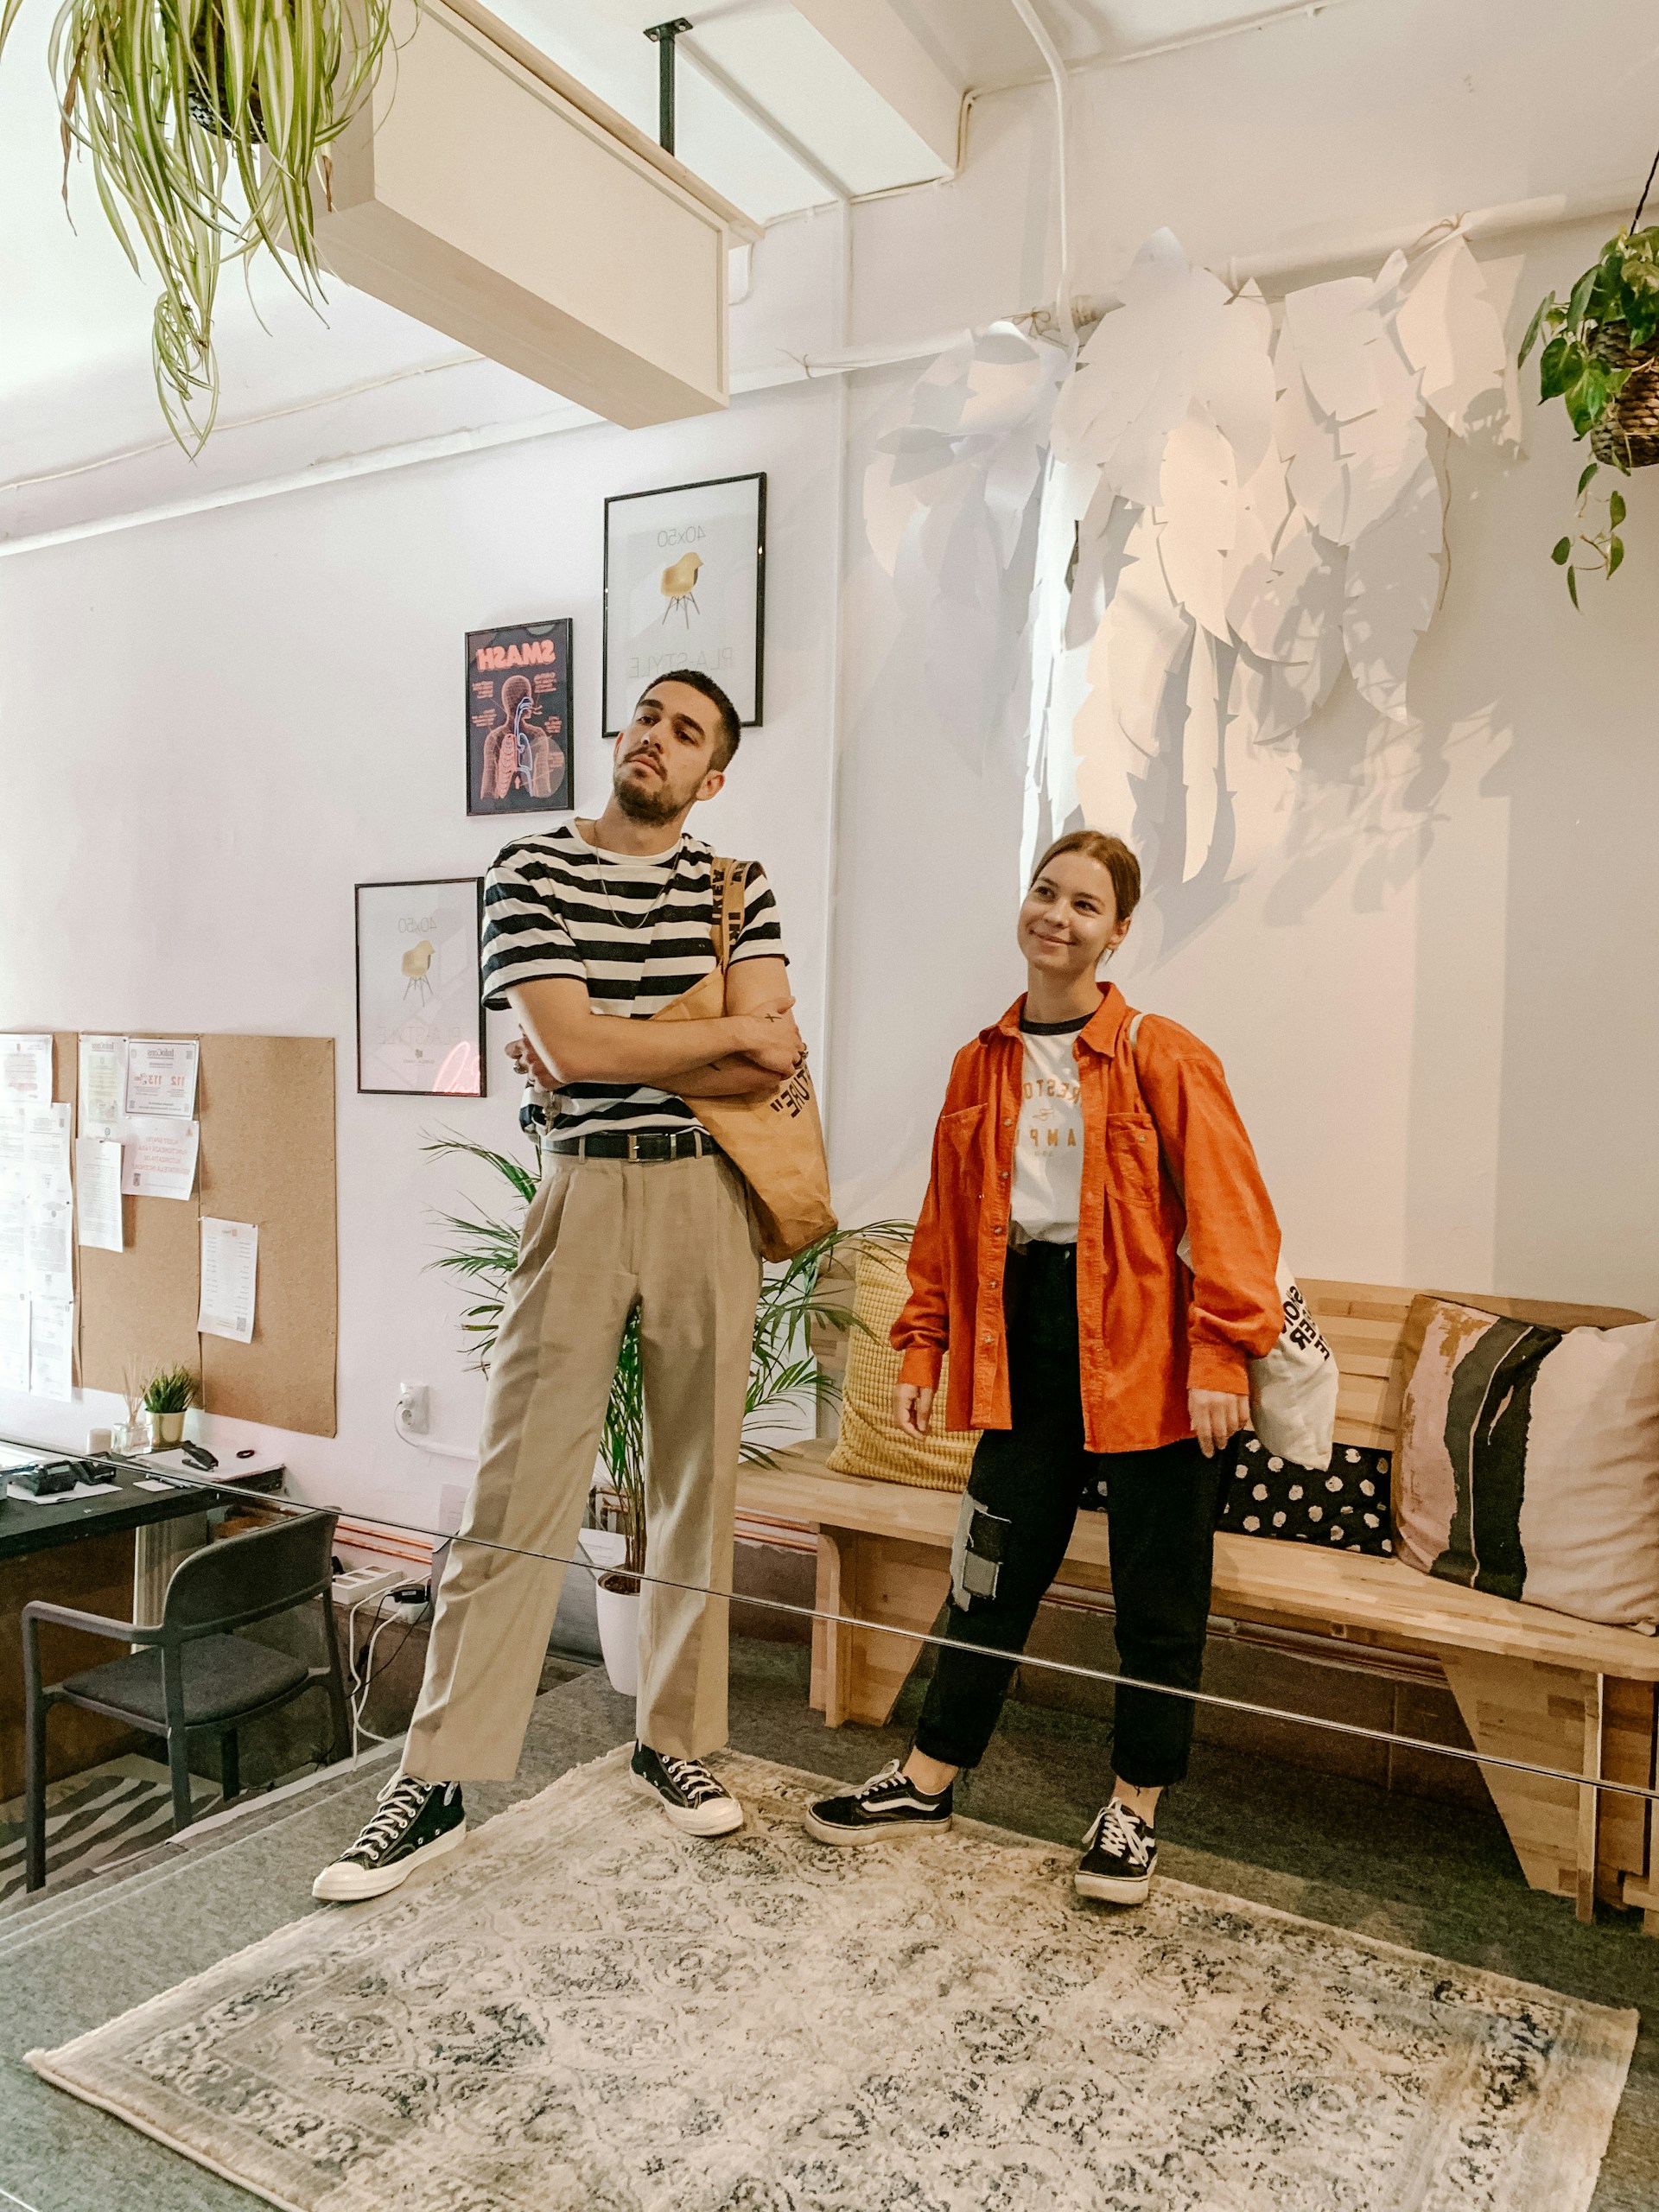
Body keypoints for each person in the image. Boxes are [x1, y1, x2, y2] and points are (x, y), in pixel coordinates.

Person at [315, 670, 800, 1902]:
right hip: (582, 1188)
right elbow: (577, 1049)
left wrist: (626, 1048)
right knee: (516, 1489)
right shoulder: (531, 871)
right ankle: (435, 1781)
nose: (656, 738)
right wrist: (705, 1038)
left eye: (687, 732)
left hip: (708, 1196)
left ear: (713, 777)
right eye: (647, 717)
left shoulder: (738, 890)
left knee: (697, 1478)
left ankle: (677, 1744)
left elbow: (773, 1053)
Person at [804, 830, 1283, 1905]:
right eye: (1044, 891)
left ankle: (1133, 1807)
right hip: (1021, 1336)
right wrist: (923, 1339)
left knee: (1159, 1594)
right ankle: (929, 1776)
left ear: (1118, 932)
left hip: (1153, 1349)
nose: (1056, 915)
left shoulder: (1165, 1054)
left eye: (1084, 903)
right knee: (989, 1569)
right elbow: (943, 1222)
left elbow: (1233, 1216)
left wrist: (1221, 1351)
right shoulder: (981, 1062)